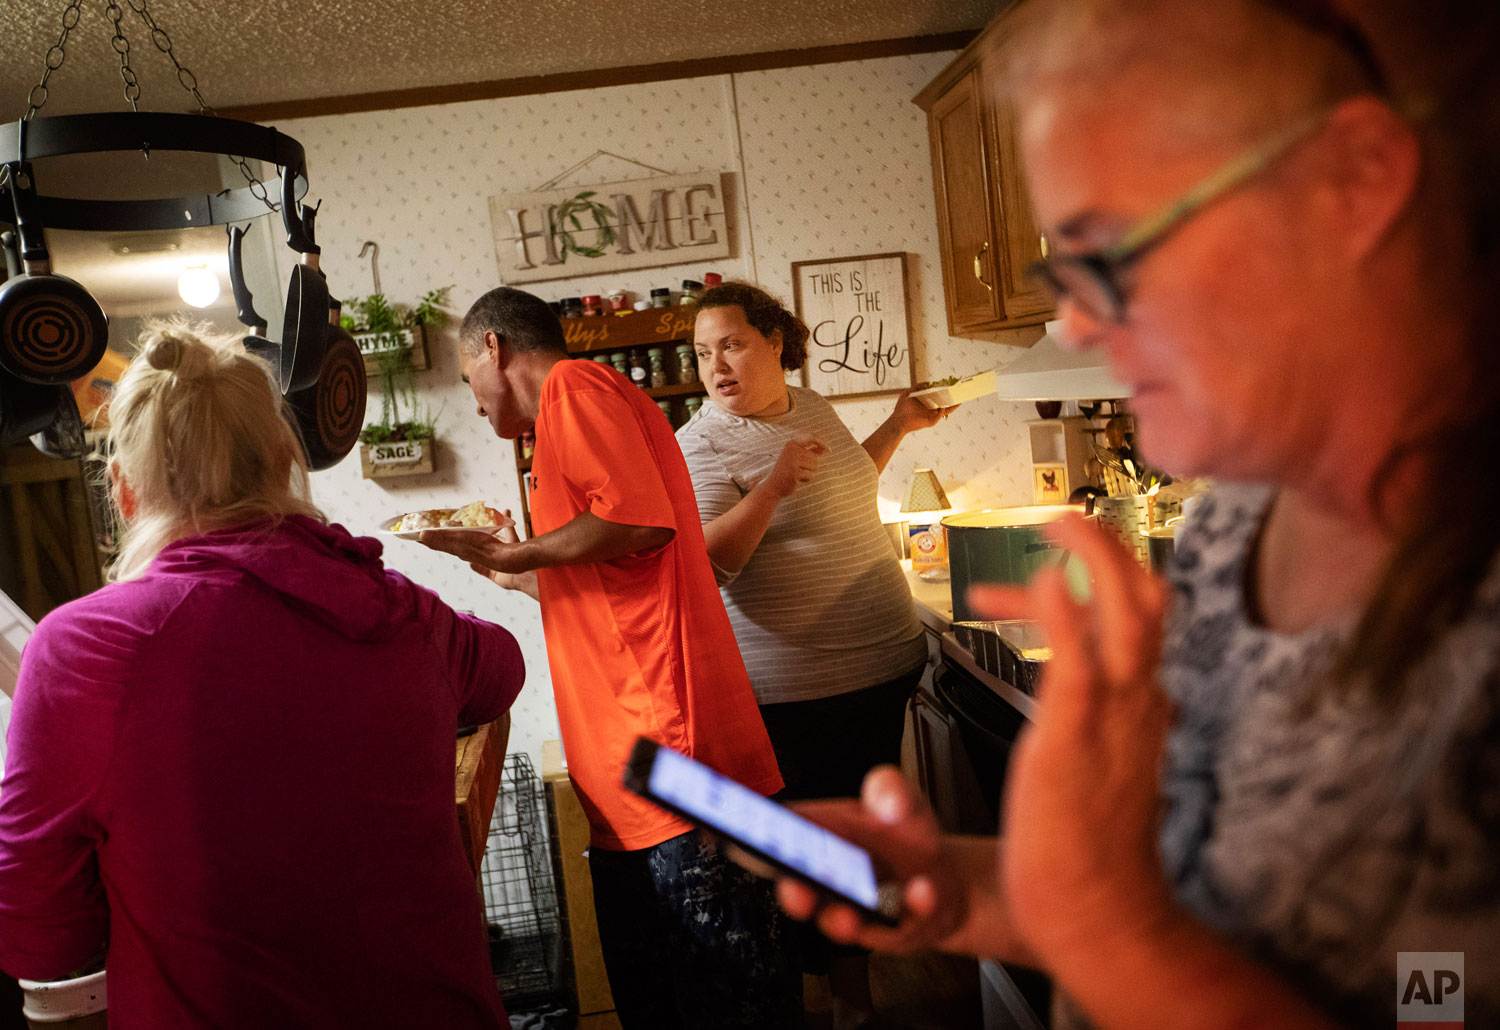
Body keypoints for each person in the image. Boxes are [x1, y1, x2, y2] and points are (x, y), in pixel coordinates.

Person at [771, 1, 1500, 1027]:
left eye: (1110, 247)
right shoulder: (1232, 531)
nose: (1070, 320)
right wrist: (976, 887)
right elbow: (1214, 909)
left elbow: (1434, 999)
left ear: (1355, 179)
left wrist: (1109, 927)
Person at [0, 324, 526, 1027]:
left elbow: (40, 934)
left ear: (124, 491)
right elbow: (501, 666)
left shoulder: (87, 649)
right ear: (284, 462)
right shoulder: (398, 612)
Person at [419, 286, 802, 1030]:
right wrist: (504, 567)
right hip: (636, 771)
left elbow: (638, 522)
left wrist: (522, 548)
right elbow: (607, 584)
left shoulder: (577, 386)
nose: (473, 404)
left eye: (468, 380)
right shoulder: (556, 432)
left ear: (495, 349)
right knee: (659, 1002)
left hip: (673, 753)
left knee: (725, 1005)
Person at [675, 282, 950, 1027]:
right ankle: (835, 1005)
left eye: (730, 344)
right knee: (814, 852)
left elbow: (839, 480)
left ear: (775, 343)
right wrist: (768, 487)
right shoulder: (699, 443)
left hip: (881, 666)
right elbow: (708, 564)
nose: (716, 365)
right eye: (703, 353)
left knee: (859, 840)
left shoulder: (810, 405)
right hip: (799, 689)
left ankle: (851, 995)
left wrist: (897, 426)